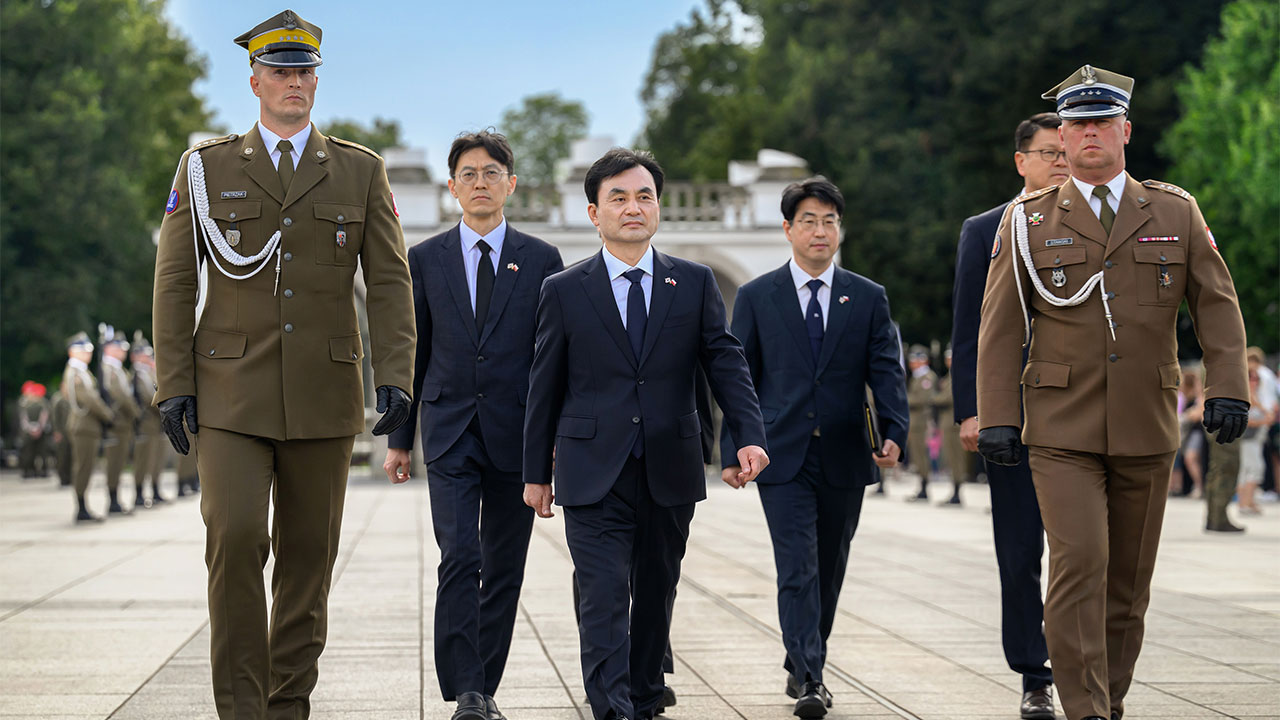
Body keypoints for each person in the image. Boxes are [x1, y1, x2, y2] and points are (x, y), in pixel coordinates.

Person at [151, 11, 416, 717]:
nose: (293, 82)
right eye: (280, 71)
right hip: (229, 391)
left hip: (325, 393)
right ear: (255, 80)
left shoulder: (360, 170)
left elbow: (389, 281)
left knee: (307, 560)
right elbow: (175, 279)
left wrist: (396, 374)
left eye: (304, 72)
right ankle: (241, 708)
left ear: (315, 81)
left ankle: (286, 702)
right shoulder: (204, 169)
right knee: (235, 539)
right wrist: (173, 384)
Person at [977, 65, 1249, 720]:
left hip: (1145, 422)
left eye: (1103, 121)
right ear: (1062, 140)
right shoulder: (1026, 221)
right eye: (1078, 124)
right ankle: (1087, 712)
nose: (1091, 132)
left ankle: (1109, 701)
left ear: (1125, 131)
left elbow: (1216, 303)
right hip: (1059, 427)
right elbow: (1000, 325)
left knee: (1127, 588)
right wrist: (996, 418)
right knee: (1081, 564)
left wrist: (1228, 387)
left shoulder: (1175, 211)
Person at [523, 148, 768, 720]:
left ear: (657, 208)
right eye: (619, 198)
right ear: (594, 213)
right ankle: (612, 707)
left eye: (644, 196)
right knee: (603, 592)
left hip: (670, 462)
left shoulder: (695, 282)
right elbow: (544, 384)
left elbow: (724, 362)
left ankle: (644, 691)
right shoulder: (563, 289)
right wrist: (536, 473)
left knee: (656, 590)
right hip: (590, 468)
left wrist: (747, 436)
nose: (633, 208)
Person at [383, 130, 564, 720]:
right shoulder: (426, 258)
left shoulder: (541, 260)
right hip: (450, 428)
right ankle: (465, 688)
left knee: (505, 565)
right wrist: (399, 439)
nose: (480, 183)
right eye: (468, 174)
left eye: (492, 173)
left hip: (517, 434)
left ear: (510, 184)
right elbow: (414, 350)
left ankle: (484, 684)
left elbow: (551, 360)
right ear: (452, 187)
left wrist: (551, 448)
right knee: (460, 555)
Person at [719, 176, 908, 719]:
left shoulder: (868, 297)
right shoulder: (757, 297)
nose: (820, 230)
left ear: (839, 230)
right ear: (787, 229)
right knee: (796, 565)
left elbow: (886, 370)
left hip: (846, 451)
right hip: (781, 454)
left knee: (829, 567)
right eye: (808, 221)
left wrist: (895, 431)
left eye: (829, 221)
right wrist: (737, 448)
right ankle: (811, 675)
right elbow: (740, 378)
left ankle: (804, 654)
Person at [950, 111, 1064, 719]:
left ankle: (1081, 659)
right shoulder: (988, 229)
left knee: (1084, 551)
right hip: (1011, 419)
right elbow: (968, 327)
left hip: (1080, 415)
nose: (1060, 162)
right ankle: (1034, 672)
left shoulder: (1099, 225)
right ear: (1021, 161)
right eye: (1047, 153)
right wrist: (972, 411)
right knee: (1020, 553)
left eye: (1065, 152)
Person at [63, 332, 113, 523]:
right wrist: (107, 414)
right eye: (83, 350)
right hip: (83, 426)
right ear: (73, 352)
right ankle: (81, 508)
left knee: (86, 466)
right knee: (83, 467)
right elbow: (89, 399)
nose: (87, 354)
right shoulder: (76, 372)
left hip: (87, 427)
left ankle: (83, 506)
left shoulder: (81, 371)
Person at [100, 328, 139, 514]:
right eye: (120, 348)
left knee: (119, 462)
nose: (124, 351)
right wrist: (136, 412)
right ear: (109, 348)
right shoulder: (110, 370)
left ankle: (115, 499)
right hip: (117, 423)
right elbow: (122, 397)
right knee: (114, 463)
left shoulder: (117, 369)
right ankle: (113, 501)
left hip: (123, 423)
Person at [131, 333, 167, 508]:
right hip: (146, 424)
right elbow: (148, 397)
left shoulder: (148, 373)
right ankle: (139, 494)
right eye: (144, 354)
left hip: (155, 424)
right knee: (143, 461)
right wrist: (164, 405)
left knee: (155, 459)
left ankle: (155, 490)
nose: (148, 357)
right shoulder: (138, 375)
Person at [935, 347, 973, 505]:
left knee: (957, 459)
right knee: (950, 459)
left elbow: (947, 397)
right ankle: (954, 490)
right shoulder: (949, 375)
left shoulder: (957, 375)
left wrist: (934, 398)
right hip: (948, 424)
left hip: (954, 425)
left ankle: (957, 492)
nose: (948, 361)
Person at [905, 345, 937, 500]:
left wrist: (903, 399)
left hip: (921, 423)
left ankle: (925, 486)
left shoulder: (927, 378)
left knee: (921, 456)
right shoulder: (917, 377)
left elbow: (923, 399)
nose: (912, 363)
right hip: (914, 423)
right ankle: (921, 485)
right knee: (917, 456)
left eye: (915, 360)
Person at [17, 381, 51, 478]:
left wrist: (36, 429)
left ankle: (34, 471)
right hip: (30, 431)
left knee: (40, 452)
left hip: (33, 431)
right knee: (29, 452)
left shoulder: (27, 404)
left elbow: (44, 417)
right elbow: (23, 418)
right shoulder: (24, 404)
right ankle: (30, 470)